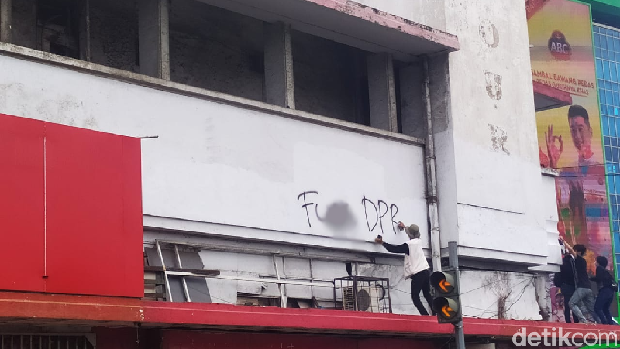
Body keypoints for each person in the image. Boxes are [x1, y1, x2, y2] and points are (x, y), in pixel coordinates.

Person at [374, 222, 433, 316]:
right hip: (426, 271)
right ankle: (435, 314)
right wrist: (404, 227)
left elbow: (394, 249)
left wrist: (382, 243)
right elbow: (411, 233)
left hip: (418, 273)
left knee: (415, 297)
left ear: (410, 234)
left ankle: (425, 316)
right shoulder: (419, 241)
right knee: (427, 294)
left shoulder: (409, 245)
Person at [560, 238, 600, 323]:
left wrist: (563, 241)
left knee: (571, 303)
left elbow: (570, 250)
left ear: (577, 252)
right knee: (591, 309)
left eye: (574, 251)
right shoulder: (583, 261)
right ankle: (600, 323)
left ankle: (584, 321)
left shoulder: (579, 259)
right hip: (588, 288)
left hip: (581, 287)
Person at [591, 256, 616, 325]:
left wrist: (590, 278)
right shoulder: (606, 272)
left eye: (596, 261)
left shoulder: (599, 268)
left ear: (598, 262)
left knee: (597, 308)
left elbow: (599, 278)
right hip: (611, 292)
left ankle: (604, 323)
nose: (595, 262)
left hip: (604, 291)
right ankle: (611, 324)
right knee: (605, 309)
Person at [557, 249, 579, 323]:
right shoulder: (574, 263)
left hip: (565, 286)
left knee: (567, 305)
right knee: (574, 304)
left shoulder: (562, 263)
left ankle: (568, 321)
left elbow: (558, 275)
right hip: (573, 286)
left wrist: (560, 285)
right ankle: (576, 320)